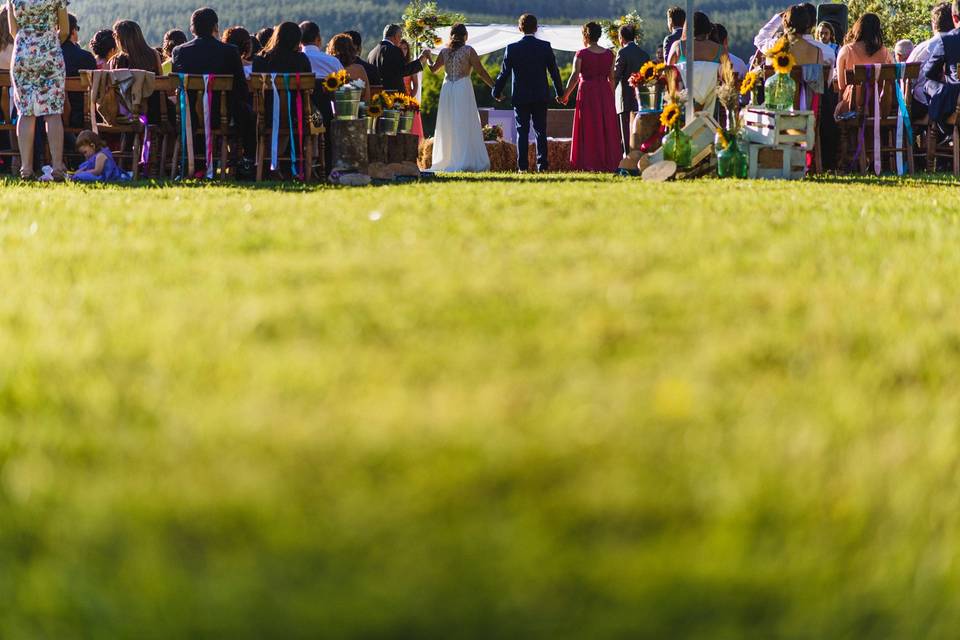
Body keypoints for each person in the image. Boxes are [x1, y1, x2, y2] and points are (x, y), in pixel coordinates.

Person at [172, 7, 255, 175]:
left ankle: (194, 162)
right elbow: (241, 87)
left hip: (191, 116)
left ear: (192, 28)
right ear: (216, 27)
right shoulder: (230, 51)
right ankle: (247, 161)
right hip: (221, 115)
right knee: (248, 111)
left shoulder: (179, 52)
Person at [492, 14, 564, 172]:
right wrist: (560, 93)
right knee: (541, 131)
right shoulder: (545, 46)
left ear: (520, 28)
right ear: (536, 28)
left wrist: (496, 92)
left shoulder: (512, 48)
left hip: (521, 96)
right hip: (540, 95)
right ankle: (542, 166)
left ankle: (522, 167)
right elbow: (554, 72)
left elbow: (503, 74)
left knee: (522, 132)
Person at [8, 0, 69, 180]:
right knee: (53, 111)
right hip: (49, 51)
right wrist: (50, 41)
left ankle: (26, 169)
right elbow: (65, 30)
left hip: (22, 52)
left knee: (25, 112)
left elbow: (13, 30)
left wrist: (28, 42)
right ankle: (57, 167)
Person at [429, 23, 493, 172]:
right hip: (462, 87)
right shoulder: (469, 51)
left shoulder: (444, 52)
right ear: (465, 36)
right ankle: (463, 159)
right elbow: (481, 72)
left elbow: (433, 69)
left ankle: (446, 159)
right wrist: (494, 87)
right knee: (464, 123)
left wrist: (427, 58)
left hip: (447, 90)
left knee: (447, 123)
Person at [560, 22, 620, 172]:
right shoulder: (609, 54)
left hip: (587, 91)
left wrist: (565, 95)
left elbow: (574, 76)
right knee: (604, 126)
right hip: (604, 92)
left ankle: (589, 162)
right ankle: (606, 161)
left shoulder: (581, 54)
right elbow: (611, 78)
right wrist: (611, 97)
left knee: (588, 126)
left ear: (586, 35)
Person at [835, 13, 892, 116]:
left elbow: (841, 86)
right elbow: (891, 80)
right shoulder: (885, 52)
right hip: (879, 107)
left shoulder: (846, 51)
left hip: (852, 106)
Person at [667, 11, 722, 112]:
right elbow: (727, 76)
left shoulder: (677, 46)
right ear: (707, 29)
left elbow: (667, 73)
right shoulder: (719, 49)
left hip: (681, 109)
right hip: (710, 111)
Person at [908, 2, 953, 117]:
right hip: (953, 102)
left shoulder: (923, 48)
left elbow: (907, 79)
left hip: (925, 104)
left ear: (934, 24)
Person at [921, 0, 960, 126]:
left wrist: (943, 76)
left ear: (954, 17)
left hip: (956, 103)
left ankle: (936, 122)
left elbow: (928, 72)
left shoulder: (947, 40)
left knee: (928, 85)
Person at [613, 23, 649, 156]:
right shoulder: (644, 54)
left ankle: (627, 162)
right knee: (638, 134)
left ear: (621, 38)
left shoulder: (622, 52)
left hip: (625, 99)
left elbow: (616, 76)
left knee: (626, 135)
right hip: (641, 100)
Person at [368, 24, 429, 93]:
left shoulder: (371, 53)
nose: (400, 40)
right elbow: (403, 71)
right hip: (393, 97)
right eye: (400, 37)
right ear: (396, 36)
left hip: (376, 97)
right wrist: (420, 60)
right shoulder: (394, 50)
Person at [61, 13, 95, 130]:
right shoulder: (86, 57)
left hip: (53, 116)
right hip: (81, 117)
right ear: (73, 31)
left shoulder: (49, 58)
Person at [326, 33, 369, 101]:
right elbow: (367, 97)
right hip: (358, 109)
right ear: (352, 50)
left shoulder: (330, 70)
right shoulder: (360, 69)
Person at [399, 38, 423, 139]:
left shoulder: (410, 65)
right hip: (396, 100)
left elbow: (416, 85)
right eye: (401, 48)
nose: (403, 51)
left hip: (408, 100)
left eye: (405, 48)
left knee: (413, 129)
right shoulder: (395, 64)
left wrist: (410, 97)